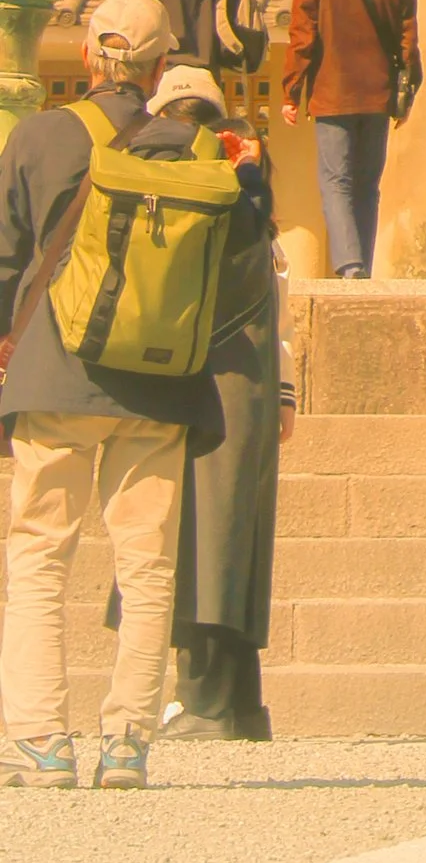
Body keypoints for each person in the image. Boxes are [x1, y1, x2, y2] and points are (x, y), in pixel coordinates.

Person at [0, 0, 230, 790]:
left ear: (92, 58)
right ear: (164, 66)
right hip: (161, 382)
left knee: (38, 557)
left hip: (54, 374)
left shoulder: (36, 136)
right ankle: (129, 739)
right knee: (147, 563)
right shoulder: (198, 147)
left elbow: (4, 263)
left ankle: (40, 740)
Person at [148, 61, 289, 742]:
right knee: (235, 539)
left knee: (203, 539)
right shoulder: (245, 188)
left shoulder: (193, 191)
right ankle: (238, 702)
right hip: (248, 384)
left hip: (202, 383)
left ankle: (206, 701)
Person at [284, 0, 420, 279]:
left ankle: (349, 264)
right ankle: (361, 260)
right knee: (366, 184)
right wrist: (407, 94)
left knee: (336, 180)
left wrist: (292, 90)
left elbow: (303, 34)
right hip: (377, 95)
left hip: (331, 91)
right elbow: (408, 37)